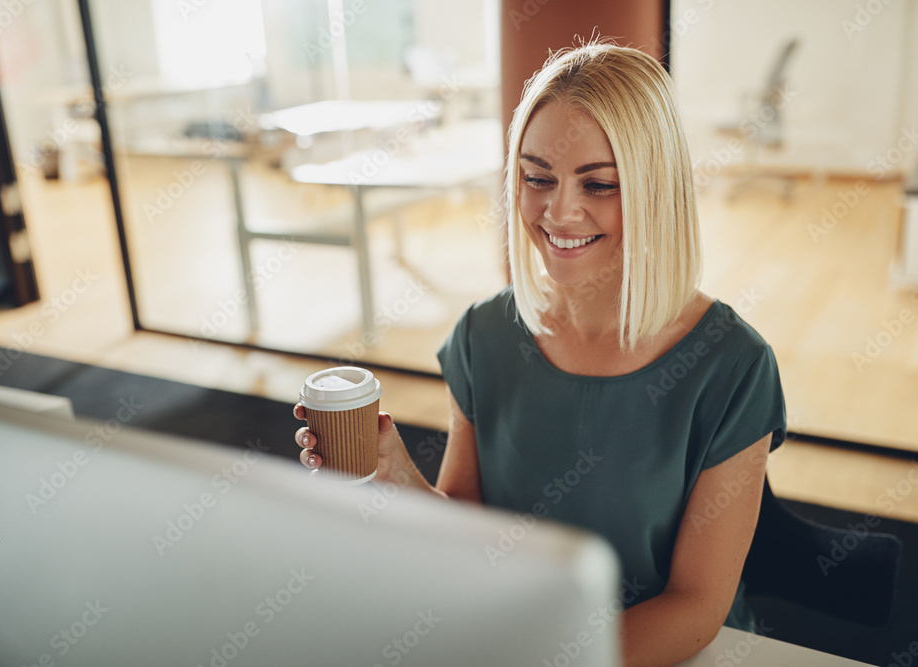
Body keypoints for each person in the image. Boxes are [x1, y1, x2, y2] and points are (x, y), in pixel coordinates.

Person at [294, 40, 786, 666]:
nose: (559, 211)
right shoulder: (484, 336)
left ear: (654, 189)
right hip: (518, 636)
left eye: (599, 183)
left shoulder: (733, 366)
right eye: (537, 178)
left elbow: (694, 607)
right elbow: (468, 533)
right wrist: (396, 476)